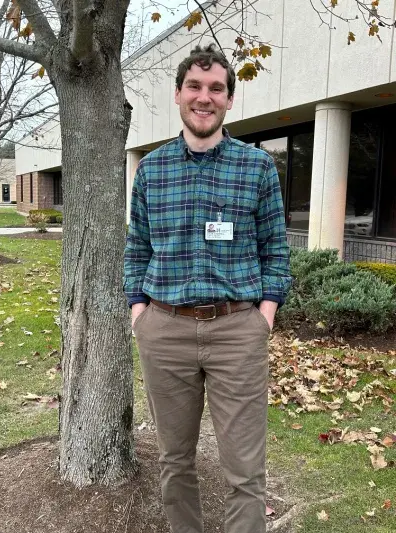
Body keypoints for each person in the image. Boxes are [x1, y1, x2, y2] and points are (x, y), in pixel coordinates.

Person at [124, 44, 291, 533]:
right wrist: (140, 315)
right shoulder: (151, 170)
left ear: (229, 100)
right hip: (165, 330)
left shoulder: (257, 168)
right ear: (178, 94)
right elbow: (137, 249)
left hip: (238, 331)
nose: (205, 97)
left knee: (245, 471)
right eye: (194, 87)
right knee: (175, 461)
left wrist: (264, 317)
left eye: (216, 88)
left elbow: (275, 251)